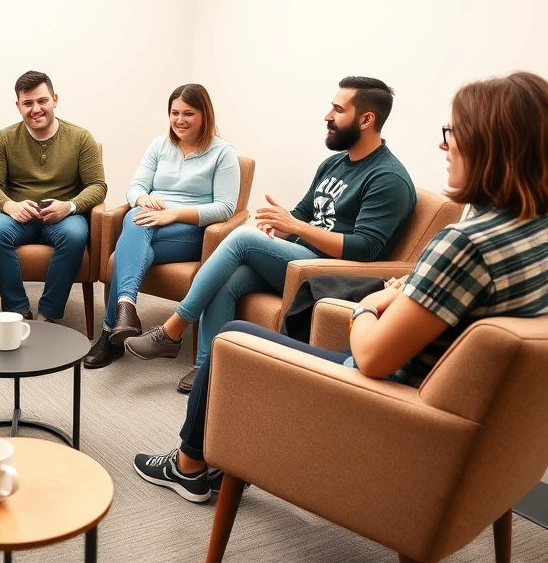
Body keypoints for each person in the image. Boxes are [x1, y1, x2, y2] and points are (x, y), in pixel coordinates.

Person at [132, 70, 548, 503]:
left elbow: (369, 353)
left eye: (454, 132)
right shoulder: (531, 233)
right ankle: (200, 409)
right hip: (445, 408)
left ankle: (187, 455)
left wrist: (371, 302)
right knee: (234, 274)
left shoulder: (454, 235)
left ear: (493, 145)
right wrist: (292, 229)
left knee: (231, 340)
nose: (444, 144)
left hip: (384, 398)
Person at [125, 76, 417, 393]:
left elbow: (366, 248)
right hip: (298, 259)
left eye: (337, 110)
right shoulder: (335, 164)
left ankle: (172, 329)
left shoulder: (387, 177)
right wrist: (282, 222)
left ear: (366, 119)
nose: (327, 116)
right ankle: (207, 369)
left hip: (332, 271)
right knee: (229, 279)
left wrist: (297, 228)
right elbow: (304, 214)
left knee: (240, 238)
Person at [83, 83, 240, 369]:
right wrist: (145, 198)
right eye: (174, 113)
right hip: (150, 226)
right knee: (135, 219)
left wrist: (174, 214)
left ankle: (112, 329)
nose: (180, 120)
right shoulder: (160, 145)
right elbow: (136, 187)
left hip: (191, 233)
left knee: (128, 241)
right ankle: (125, 313)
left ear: (205, 115)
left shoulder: (223, 153)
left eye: (188, 113)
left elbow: (225, 207)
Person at [0, 70, 107, 322]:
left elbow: (97, 186)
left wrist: (69, 206)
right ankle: (17, 309)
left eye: (42, 101)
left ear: (54, 99)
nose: (35, 109)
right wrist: (8, 205)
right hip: (18, 216)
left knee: (75, 235)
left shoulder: (81, 138)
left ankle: (47, 315)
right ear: (18, 106)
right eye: (27, 103)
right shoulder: (4, 138)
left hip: (62, 216)